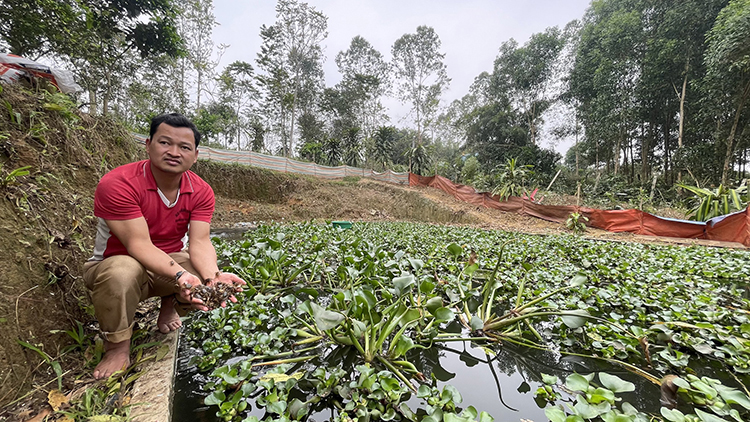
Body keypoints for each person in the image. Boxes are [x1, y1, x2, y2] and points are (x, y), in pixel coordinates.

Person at [83, 113, 245, 379]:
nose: (174, 152)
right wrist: (181, 275)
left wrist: (211, 277)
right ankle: (117, 346)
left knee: (202, 274)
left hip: (166, 264)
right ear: (148, 145)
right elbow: (137, 244)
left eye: (184, 147)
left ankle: (169, 305)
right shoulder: (118, 184)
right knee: (122, 271)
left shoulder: (201, 190)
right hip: (117, 263)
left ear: (195, 155)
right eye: (165, 143)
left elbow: (200, 242)